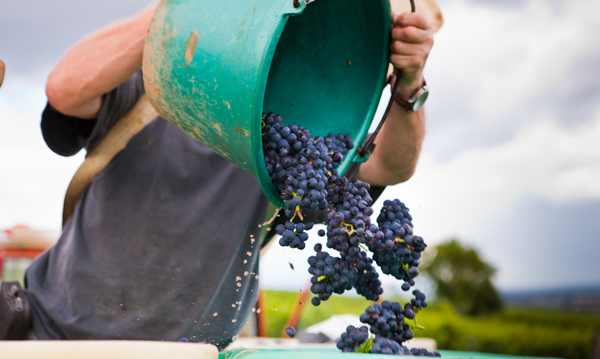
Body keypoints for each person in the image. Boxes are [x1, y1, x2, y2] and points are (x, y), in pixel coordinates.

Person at [19, 2, 435, 348]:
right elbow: (65, 89)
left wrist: (410, 83)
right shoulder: (153, 84)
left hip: (194, 355)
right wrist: (183, 9)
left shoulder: (293, 145)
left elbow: (391, 167)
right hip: (60, 339)